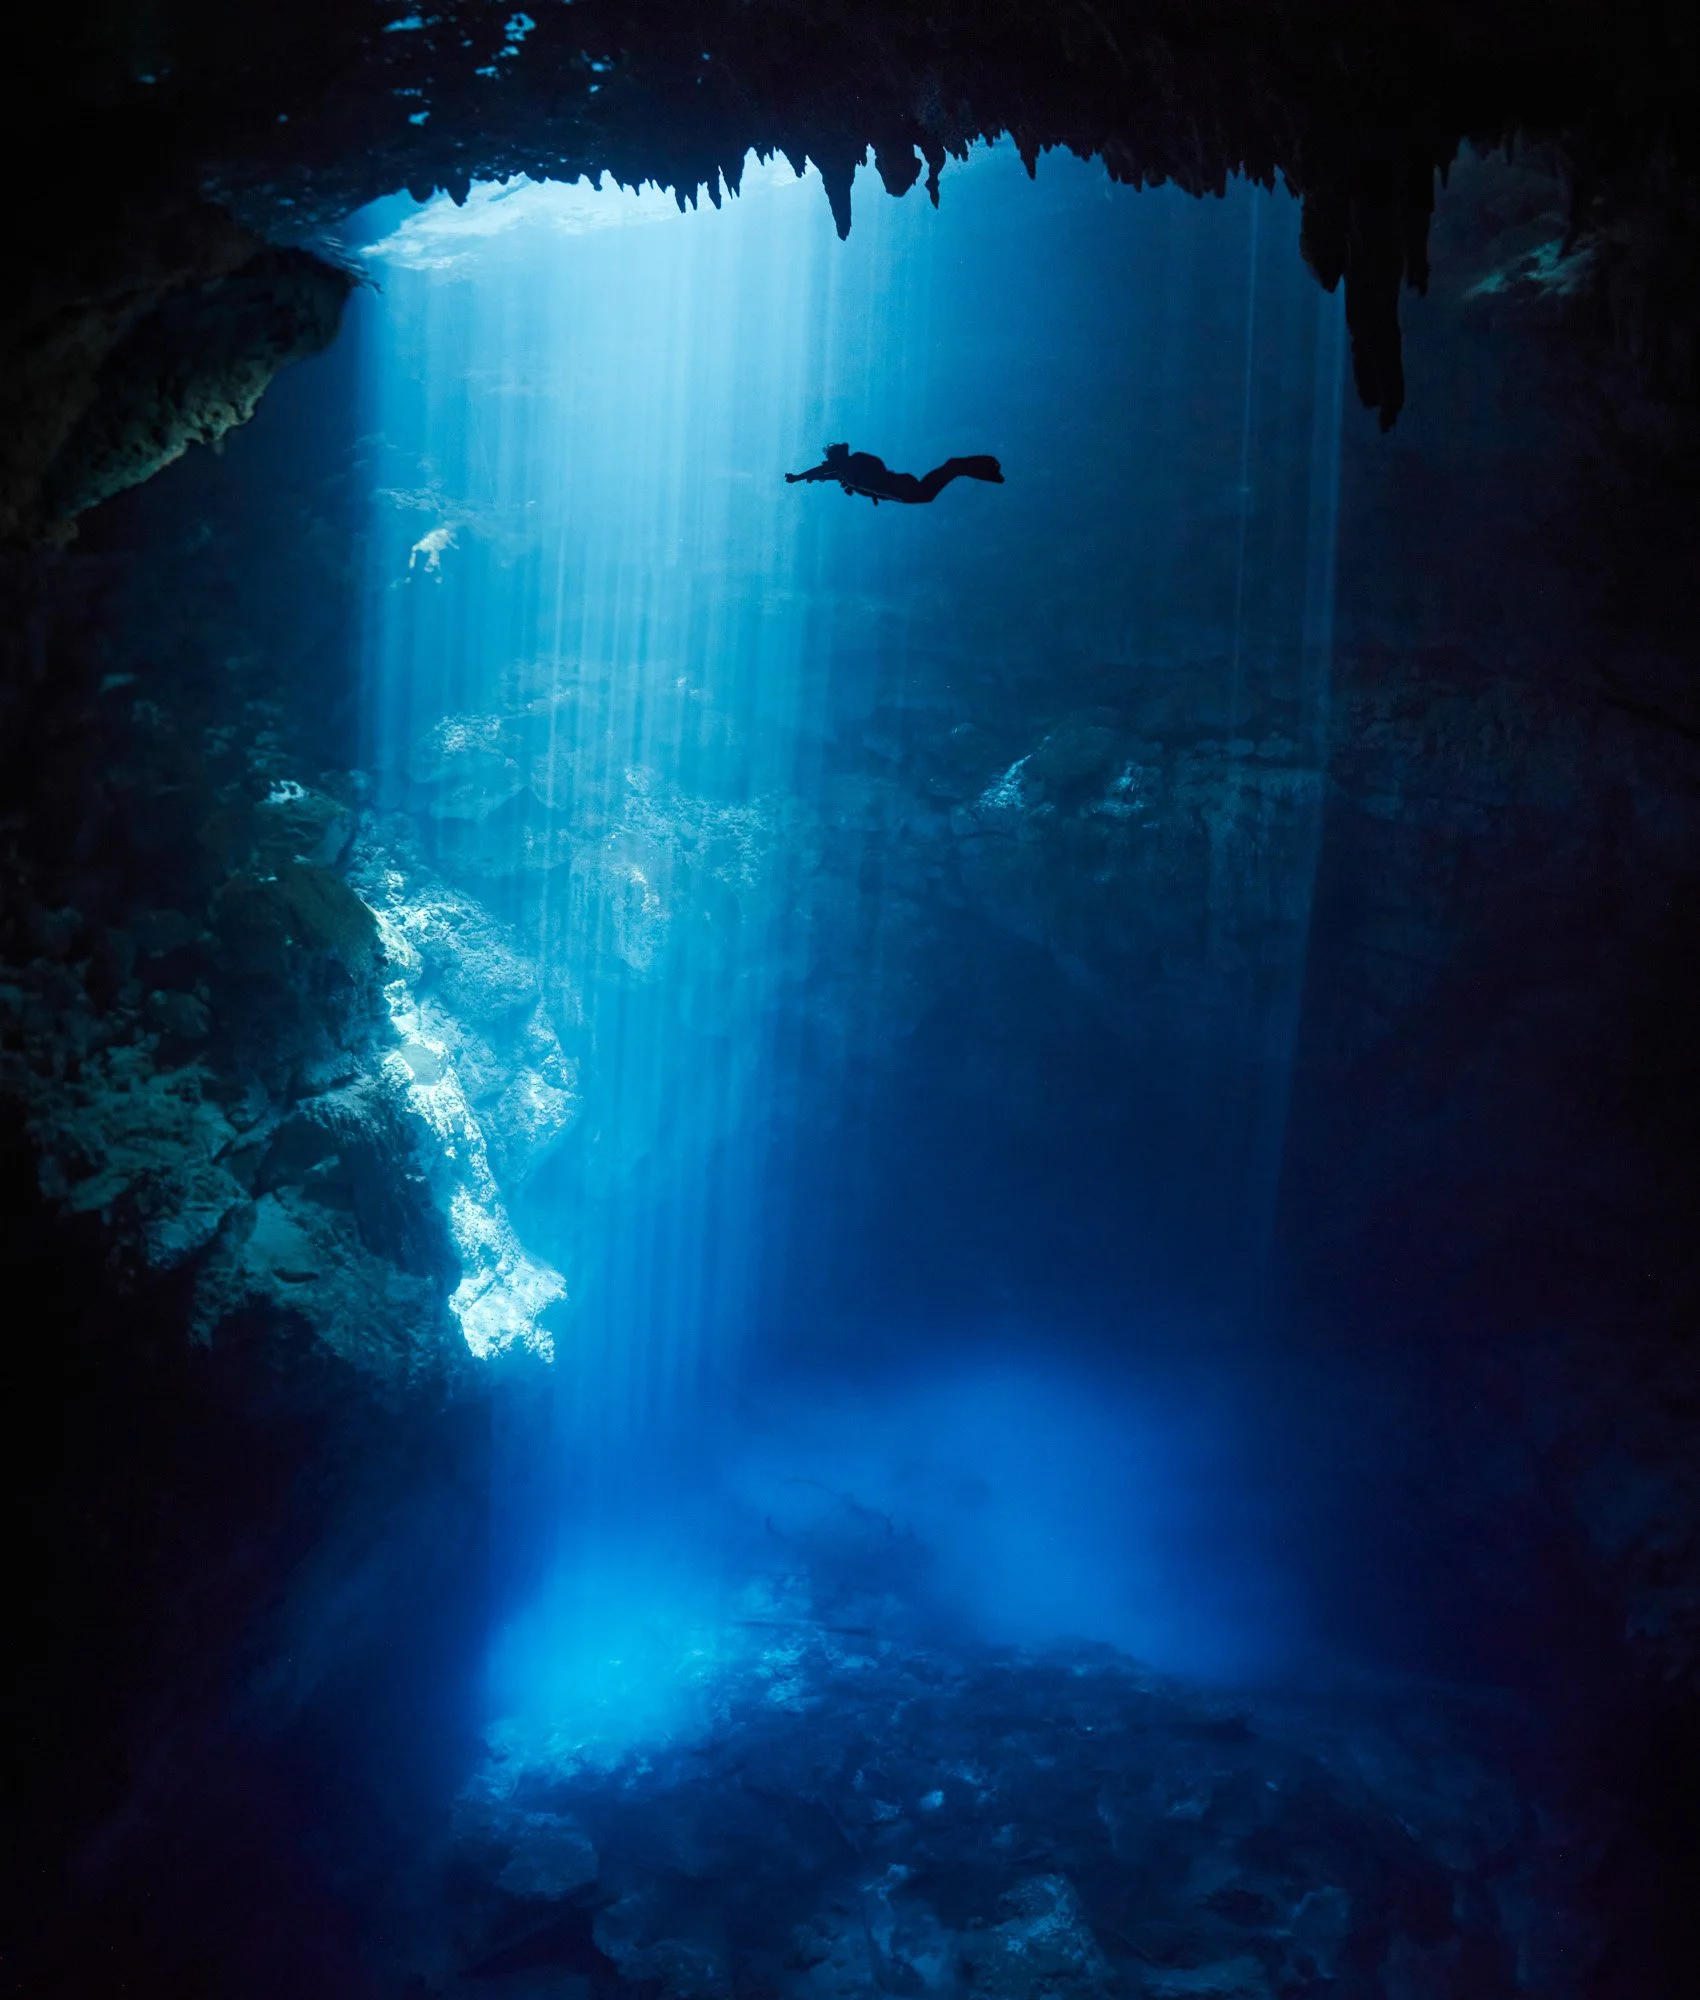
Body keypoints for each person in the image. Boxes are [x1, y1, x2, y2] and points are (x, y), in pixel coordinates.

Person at [786, 442, 1004, 505]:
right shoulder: (848, 472)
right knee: (946, 474)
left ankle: (984, 468)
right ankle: (983, 469)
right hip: (903, 491)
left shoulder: (853, 464)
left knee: (951, 470)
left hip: (903, 489)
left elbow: (825, 470)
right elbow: (830, 473)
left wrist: (798, 477)